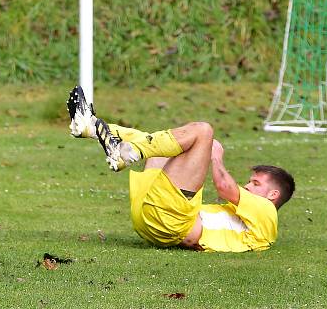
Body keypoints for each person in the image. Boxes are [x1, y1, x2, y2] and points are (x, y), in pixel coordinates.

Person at [66, 86, 295, 252]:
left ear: (273, 195)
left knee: (203, 131)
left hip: (170, 224)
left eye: (255, 184)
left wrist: (216, 158)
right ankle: (92, 127)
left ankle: (123, 151)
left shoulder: (266, 210)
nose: (247, 185)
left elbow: (224, 186)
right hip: (155, 219)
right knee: (163, 144)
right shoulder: (247, 215)